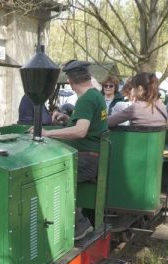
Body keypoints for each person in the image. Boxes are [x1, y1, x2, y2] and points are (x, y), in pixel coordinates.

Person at [42, 60, 108, 240]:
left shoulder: (86, 99)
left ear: (70, 81)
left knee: (50, 177)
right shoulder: (96, 95)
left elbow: (81, 131)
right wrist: (67, 118)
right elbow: (85, 122)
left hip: (88, 158)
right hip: (93, 156)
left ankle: (79, 225)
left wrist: (47, 133)